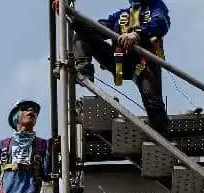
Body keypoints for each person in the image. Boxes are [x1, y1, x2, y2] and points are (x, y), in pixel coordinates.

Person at [61, 0, 171, 137]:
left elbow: (161, 22)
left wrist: (137, 34)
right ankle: (83, 69)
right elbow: (97, 28)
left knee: (152, 100)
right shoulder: (122, 15)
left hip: (143, 64)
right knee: (83, 33)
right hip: (120, 63)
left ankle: (162, 135)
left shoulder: (155, 5)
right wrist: (70, 13)